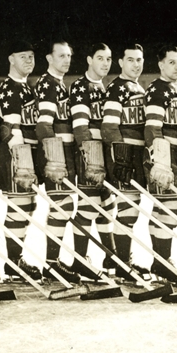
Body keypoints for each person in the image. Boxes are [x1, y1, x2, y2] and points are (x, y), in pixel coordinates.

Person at [100, 43, 150, 281]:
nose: (136, 64)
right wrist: (121, 157)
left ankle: (118, 259)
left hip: (136, 156)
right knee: (129, 209)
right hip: (123, 157)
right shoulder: (117, 88)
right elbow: (109, 126)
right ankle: (122, 263)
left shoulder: (137, 87)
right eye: (131, 59)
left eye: (139, 60)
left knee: (132, 208)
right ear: (120, 62)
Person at [34, 40, 82, 282]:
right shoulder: (48, 84)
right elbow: (43, 124)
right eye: (61, 55)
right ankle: (51, 264)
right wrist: (54, 157)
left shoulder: (60, 84)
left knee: (63, 207)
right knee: (61, 206)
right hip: (57, 155)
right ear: (49, 58)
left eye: (69, 55)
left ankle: (52, 263)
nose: (66, 60)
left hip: (66, 152)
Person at [68, 43, 116, 280]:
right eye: (100, 58)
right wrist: (90, 156)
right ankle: (79, 259)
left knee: (108, 206)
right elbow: (80, 126)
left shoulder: (104, 87)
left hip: (104, 154)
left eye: (108, 59)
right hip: (89, 155)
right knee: (89, 207)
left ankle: (111, 256)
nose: (105, 63)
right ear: (89, 59)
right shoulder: (80, 86)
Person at [0, 40, 42, 281]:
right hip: (17, 156)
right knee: (19, 208)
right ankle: (13, 264)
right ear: (11, 59)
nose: (28, 60)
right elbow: (11, 130)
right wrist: (22, 161)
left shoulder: (27, 87)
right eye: (23, 56)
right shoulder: (9, 87)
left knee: (27, 207)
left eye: (31, 56)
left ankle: (17, 259)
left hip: (29, 156)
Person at [143, 45, 177, 283]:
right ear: (160, 64)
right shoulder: (157, 89)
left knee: (169, 209)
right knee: (168, 207)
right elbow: (152, 127)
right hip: (164, 157)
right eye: (172, 62)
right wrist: (160, 163)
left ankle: (161, 261)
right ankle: (161, 262)